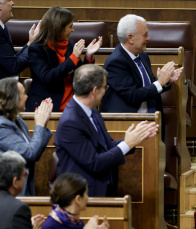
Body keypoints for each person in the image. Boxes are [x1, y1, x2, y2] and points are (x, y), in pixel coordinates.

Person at [54, 64, 159, 197]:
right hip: (82, 196)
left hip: (102, 188)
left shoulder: (93, 111)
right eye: (105, 87)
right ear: (95, 90)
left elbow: (107, 147)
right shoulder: (70, 122)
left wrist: (133, 138)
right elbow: (94, 163)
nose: (106, 91)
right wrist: (127, 144)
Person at [0, 77, 53, 196]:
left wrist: (43, 125)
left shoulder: (19, 122)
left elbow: (35, 154)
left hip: (21, 186)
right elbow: (30, 153)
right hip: (1, 191)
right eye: (23, 93)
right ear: (12, 98)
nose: (27, 97)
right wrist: (39, 124)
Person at [101, 14, 182, 115]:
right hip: (129, 123)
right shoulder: (116, 62)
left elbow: (149, 86)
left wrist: (166, 80)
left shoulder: (142, 56)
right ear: (130, 38)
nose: (148, 38)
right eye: (145, 35)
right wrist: (160, 82)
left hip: (152, 119)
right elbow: (133, 95)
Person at [26, 6, 102, 112]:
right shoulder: (37, 49)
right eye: (70, 26)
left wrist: (89, 56)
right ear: (58, 28)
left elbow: (81, 76)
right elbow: (47, 77)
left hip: (72, 108)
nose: (73, 30)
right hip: (47, 109)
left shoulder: (69, 45)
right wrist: (72, 59)